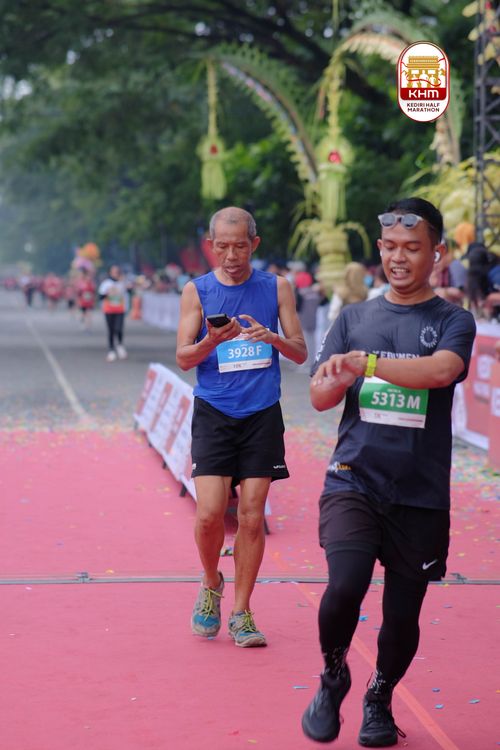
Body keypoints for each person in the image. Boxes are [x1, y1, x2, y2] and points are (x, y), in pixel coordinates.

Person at [301, 197, 476, 747]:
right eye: (391, 248)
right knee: (344, 587)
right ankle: (333, 675)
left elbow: (442, 370)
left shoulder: (453, 320)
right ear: (379, 249)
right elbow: (319, 398)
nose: (399, 258)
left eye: (413, 248)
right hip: (353, 479)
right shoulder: (353, 318)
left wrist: (367, 364)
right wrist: (335, 377)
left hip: (419, 493)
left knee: (402, 616)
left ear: (437, 254)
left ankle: (378, 697)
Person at [176, 206, 307, 648]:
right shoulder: (197, 291)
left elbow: (300, 352)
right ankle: (211, 581)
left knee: (252, 516)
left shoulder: (277, 287)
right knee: (210, 513)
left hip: (261, 413)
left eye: (239, 246)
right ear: (210, 247)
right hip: (214, 412)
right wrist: (211, 341)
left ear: (255, 244)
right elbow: (183, 358)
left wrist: (272, 338)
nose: (231, 256)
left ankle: (242, 612)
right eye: (222, 247)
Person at [98, 265, 129, 362]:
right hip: (109, 310)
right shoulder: (106, 284)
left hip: (120, 310)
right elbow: (100, 297)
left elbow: (130, 291)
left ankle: (120, 346)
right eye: (114, 272)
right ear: (110, 273)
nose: (116, 274)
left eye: (117, 272)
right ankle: (111, 350)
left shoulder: (122, 283)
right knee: (111, 330)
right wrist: (108, 293)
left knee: (118, 328)